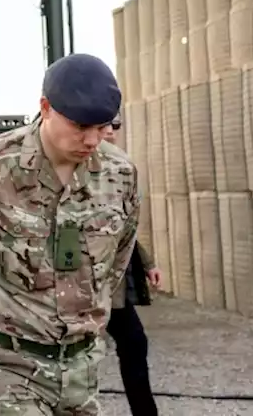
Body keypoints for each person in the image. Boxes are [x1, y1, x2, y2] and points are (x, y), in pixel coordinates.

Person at [0, 53, 141, 415]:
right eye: (80, 127)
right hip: (5, 363)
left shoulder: (120, 175)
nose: (91, 140)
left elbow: (118, 256)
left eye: (101, 128)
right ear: (46, 108)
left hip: (80, 366)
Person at [102, 114, 161, 416]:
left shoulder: (118, 169)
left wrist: (146, 263)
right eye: (103, 125)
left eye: (115, 125)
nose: (110, 132)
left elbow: (124, 228)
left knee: (135, 344)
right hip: (76, 285)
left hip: (112, 285)